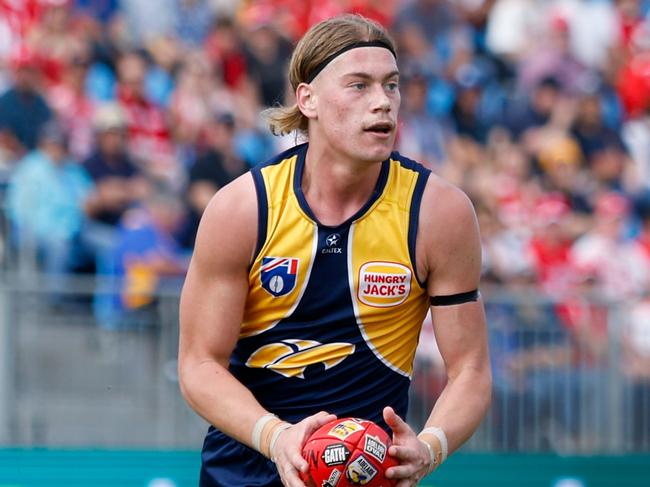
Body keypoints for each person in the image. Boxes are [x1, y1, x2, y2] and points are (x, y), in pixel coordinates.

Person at [178, 14, 491, 487]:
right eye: (359, 86)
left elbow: (471, 369)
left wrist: (430, 446)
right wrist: (276, 437)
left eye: (391, 85)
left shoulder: (438, 212)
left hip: (368, 475)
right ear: (308, 99)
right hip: (242, 471)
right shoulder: (242, 209)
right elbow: (198, 365)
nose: (383, 103)